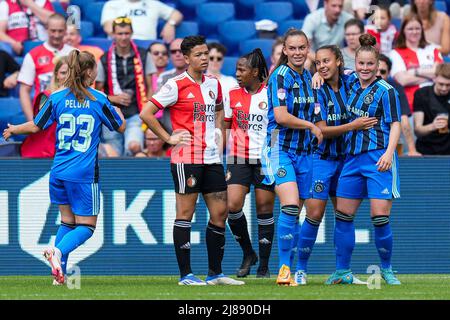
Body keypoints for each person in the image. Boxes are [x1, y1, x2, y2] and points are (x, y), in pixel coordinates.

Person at [3, 50, 126, 285]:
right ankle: (57, 253)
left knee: (67, 222)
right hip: (83, 173)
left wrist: (14, 129)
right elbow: (119, 127)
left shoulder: (57, 97)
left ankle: (60, 276)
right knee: (87, 227)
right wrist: (117, 109)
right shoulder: (98, 98)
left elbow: (36, 126)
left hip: (58, 171)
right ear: (89, 71)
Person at [140, 35, 244, 286]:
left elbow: (219, 109)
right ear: (186, 58)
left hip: (211, 157)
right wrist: (168, 138)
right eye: (198, 54)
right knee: (185, 213)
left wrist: (220, 137)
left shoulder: (214, 83)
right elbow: (147, 112)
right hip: (186, 156)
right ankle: (186, 274)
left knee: (220, 213)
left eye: (206, 53)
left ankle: (215, 273)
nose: (205, 58)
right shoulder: (175, 84)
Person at [299, 45, 378, 285]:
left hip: (348, 160)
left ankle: (343, 272)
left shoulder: (352, 81)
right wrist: (353, 126)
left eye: (326, 61)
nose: (322, 66)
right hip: (321, 159)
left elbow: (372, 74)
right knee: (314, 214)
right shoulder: (316, 89)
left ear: (339, 61)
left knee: (344, 215)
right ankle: (300, 270)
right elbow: (321, 130)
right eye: (318, 63)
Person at [326, 34, 402, 285]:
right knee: (343, 216)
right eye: (361, 64)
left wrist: (390, 153)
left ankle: (388, 269)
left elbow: (395, 124)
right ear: (355, 63)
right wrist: (317, 74)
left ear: (378, 64)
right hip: (352, 159)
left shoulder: (386, 91)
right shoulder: (349, 82)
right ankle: (342, 271)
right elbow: (329, 69)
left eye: (371, 64)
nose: (365, 68)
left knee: (379, 217)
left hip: (378, 157)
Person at [262, 28, 323, 286]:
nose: (297, 52)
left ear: (307, 49)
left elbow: (317, 112)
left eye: (302, 48)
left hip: (305, 153)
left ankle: (299, 268)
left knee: (302, 211)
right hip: (279, 148)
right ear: (285, 50)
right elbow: (282, 116)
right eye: (292, 48)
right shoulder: (280, 76)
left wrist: (319, 127)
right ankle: (283, 269)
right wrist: (311, 126)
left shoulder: (310, 77)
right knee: (289, 206)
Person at [223, 49, 275, 279]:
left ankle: (263, 265)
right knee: (232, 206)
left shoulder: (270, 94)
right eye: (236, 69)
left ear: (255, 72)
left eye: (241, 70)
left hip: (265, 157)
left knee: (264, 207)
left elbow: (278, 124)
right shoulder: (232, 94)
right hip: (238, 156)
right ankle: (248, 253)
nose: (237, 73)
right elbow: (224, 125)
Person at [96, 16, 156, 157]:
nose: (123, 37)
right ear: (113, 35)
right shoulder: (104, 58)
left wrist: (148, 112)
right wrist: (113, 99)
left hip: (136, 112)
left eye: (126, 33)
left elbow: (150, 87)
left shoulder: (143, 55)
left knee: (134, 147)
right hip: (111, 114)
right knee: (114, 155)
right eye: (120, 33)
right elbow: (98, 92)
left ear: (131, 33)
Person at [17, 13, 73, 122]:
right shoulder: (33, 55)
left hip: (69, 113)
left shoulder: (75, 54)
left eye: (60, 31)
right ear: (46, 29)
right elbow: (24, 90)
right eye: (53, 31)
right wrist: (31, 121)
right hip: (43, 114)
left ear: (66, 30)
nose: (56, 35)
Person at [389, 14, 444, 113]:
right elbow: (403, 80)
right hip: (412, 104)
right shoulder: (395, 53)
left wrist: (413, 72)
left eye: (417, 28)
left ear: (422, 30)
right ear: (403, 31)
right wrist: (432, 75)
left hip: (437, 101)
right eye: (410, 29)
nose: (414, 32)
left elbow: (441, 73)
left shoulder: (433, 49)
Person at [20, 56, 68, 158]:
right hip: (41, 155)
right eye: (63, 73)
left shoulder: (81, 99)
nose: (67, 77)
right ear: (56, 75)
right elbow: (42, 120)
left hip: (65, 155)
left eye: (71, 73)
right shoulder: (46, 96)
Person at [377, 54, 421, 156]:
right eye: (375, 70)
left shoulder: (396, 89)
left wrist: (412, 150)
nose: (378, 74)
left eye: (382, 72)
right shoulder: (358, 86)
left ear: (389, 73)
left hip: (387, 137)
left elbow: (404, 120)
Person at [101, 0, 183, 42]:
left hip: (148, 46)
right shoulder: (112, 4)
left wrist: (170, 24)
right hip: (121, 44)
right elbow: (108, 28)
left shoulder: (153, 3)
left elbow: (177, 14)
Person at [413, 63, 450, 155]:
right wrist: (433, 126)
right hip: (426, 149)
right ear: (435, 78)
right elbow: (418, 130)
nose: (444, 88)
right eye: (441, 84)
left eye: (448, 85)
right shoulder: (421, 94)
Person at [157, 38, 188, 134]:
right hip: (169, 134)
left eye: (181, 51)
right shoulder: (164, 77)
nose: (177, 54)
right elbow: (159, 104)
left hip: (194, 135)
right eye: (173, 51)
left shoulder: (200, 77)